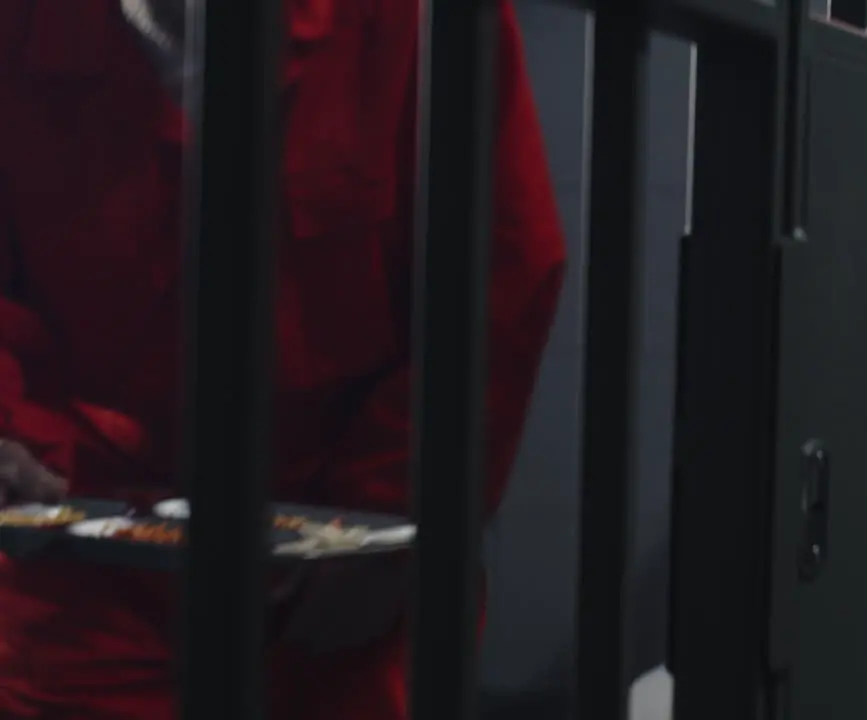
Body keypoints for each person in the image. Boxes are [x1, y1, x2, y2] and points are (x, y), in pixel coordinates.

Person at [0, 0, 566, 717]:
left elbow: (500, 280)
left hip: (338, 553)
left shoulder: (422, 19)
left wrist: (392, 514)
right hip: (81, 545)